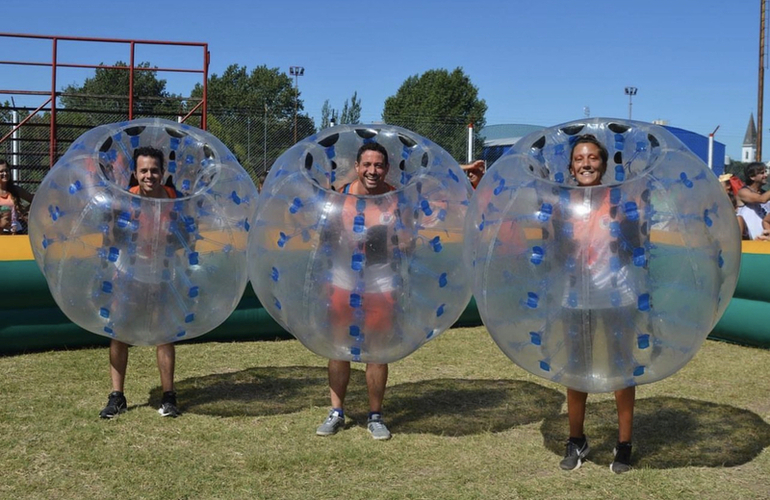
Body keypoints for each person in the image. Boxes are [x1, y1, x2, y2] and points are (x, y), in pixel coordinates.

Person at [556, 134, 637, 474]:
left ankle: (624, 444)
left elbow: (637, 246)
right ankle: (577, 440)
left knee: (621, 367)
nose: (586, 164)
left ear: (603, 164)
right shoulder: (560, 204)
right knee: (576, 368)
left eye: (592, 158)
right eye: (579, 159)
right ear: (571, 166)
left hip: (617, 295)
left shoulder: (619, 201)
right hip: (575, 297)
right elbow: (554, 254)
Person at [316, 142, 398, 441]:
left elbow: (408, 240)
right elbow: (324, 239)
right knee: (338, 346)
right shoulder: (340, 196)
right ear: (357, 166)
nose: (372, 171)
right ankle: (336, 411)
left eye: (378, 166)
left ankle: (375, 416)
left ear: (386, 169)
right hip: (343, 278)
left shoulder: (395, 199)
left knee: (377, 348)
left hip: (380, 280)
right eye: (367, 165)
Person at [99, 147, 181, 419]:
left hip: (161, 272)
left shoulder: (173, 198)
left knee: (164, 334)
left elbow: (184, 235)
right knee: (120, 333)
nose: (149, 175)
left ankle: (169, 396)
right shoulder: (126, 200)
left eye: (154, 170)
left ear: (163, 172)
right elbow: (111, 239)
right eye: (144, 170)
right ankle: (117, 396)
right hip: (128, 272)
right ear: (135, 173)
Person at [735, 162, 770, 240]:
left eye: (765, 172)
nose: (766, 175)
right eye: (762, 173)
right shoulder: (743, 192)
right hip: (747, 241)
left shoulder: (765, 194)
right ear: (752, 177)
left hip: (763, 239)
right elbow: (762, 199)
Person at [0, 159, 34, 234]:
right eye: (1, 171)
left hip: (15, 231)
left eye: (7, 170)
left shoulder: (15, 190)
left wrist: (23, 211)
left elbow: (34, 199)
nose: (5, 173)